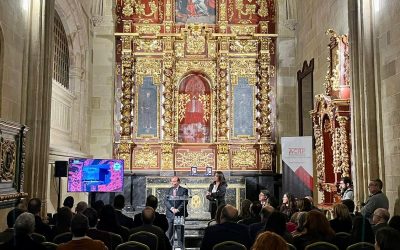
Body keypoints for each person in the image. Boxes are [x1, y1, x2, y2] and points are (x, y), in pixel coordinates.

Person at [164, 176, 189, 241]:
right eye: (172, 181)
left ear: (178, 182)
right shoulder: (168, 190)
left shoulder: (184, 190)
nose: (173, 183)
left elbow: (185, 201)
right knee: (169, 234)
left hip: (180, 214)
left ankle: (181, 247)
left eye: (175, 181)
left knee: (180, 234)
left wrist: (178, 209)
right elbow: (166, 201)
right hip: (170, 214)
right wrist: (172, 208)